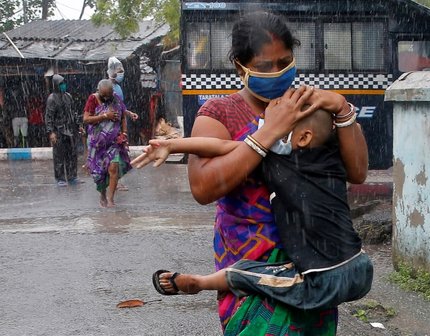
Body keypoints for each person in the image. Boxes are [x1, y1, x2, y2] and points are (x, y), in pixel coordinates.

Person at [157, 11, 368, 335]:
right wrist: (269, 132)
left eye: (285, 62)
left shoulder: (306, 108)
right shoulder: (218, 113)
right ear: (241, 66)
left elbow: (357, 172)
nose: (279, 72)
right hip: (251, 266)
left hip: (310, 262)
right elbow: (202, 188)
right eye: (267, 66)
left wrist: (341, 107)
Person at [133, 108, 373, 310]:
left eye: (277, 128)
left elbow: (220, 146)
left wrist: (174, 146)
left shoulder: (275, 158)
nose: (266, 134)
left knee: (249, 273)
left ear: (303, 138)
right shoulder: (332, 156)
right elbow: (355, 131)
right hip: (360, 265)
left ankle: (201, 282)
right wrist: (340, 106)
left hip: (325, 277)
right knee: (277, 271)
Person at [83, 79, 131, 207]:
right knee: (100, 173)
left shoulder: (115, 99)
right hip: (96, 144)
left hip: (113, 142)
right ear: (98, 91)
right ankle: (103, 194)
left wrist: (124, 133)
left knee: (113, 167)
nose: (106, 98)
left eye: (108, 95)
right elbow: (86, 119)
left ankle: (111, 199)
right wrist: (105, 116)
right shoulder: (92, 99)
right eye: (103, 96)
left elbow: (123, 116)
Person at [107, 56, 138, 191]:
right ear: (111, 71)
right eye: (118, 71)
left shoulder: (118, 87)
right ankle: (112, 181)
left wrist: (129, 114)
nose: (120, 73)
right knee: (113, 156)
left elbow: (121, 106)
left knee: (121, 155)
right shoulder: (106, 86)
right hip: (109, 127)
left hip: (119, 126)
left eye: (121, 70)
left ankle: (115, 180)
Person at [45, 74, 81, 186]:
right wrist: (51, 132)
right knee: (59, 156)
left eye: (63, 83)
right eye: (61, 84)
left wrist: (79, 125)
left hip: (70, 130)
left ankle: (72, 176)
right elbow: (49, 117)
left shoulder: (68, 96)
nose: (63, 86)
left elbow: (73, 112)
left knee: (72, 154)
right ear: (56, 85)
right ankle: (60, 178)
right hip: (58, 131)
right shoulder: (51, 99)